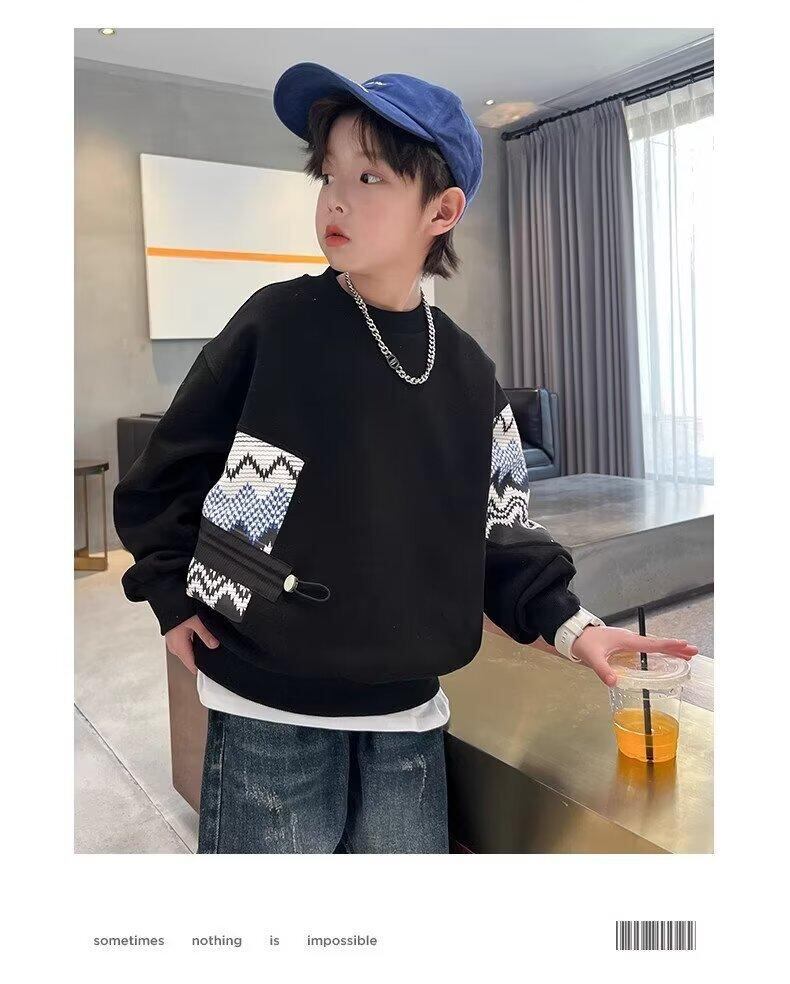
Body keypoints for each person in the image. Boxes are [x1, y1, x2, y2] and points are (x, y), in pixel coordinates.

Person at [113, 62, 698, 854]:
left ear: (442, 210)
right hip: (265, 711)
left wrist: (575, 627)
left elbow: (501, 533)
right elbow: (166, 474)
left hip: (408, 719)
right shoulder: (276, 326)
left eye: (369, 177)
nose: (336, 198)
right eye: (328, 174)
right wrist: (170, 595)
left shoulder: (467, 373)